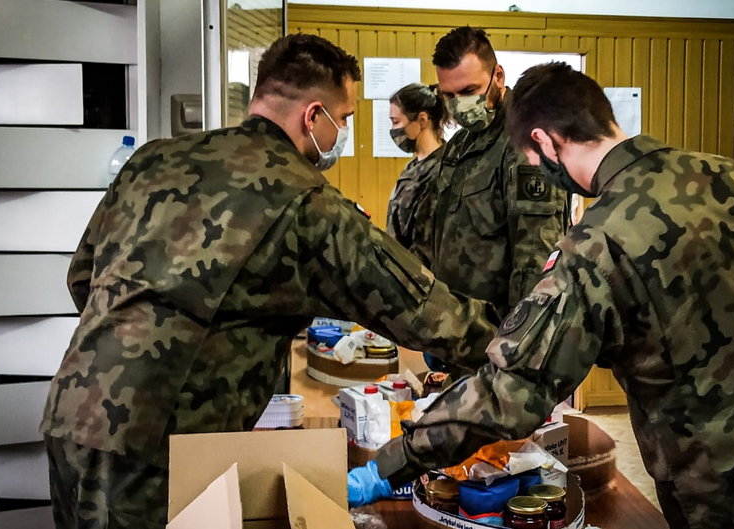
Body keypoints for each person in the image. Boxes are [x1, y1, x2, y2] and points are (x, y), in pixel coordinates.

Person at [349, 63, 734, 529]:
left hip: (725, 485)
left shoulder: (599, 242)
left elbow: (512, 391)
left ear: (543, 141)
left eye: (530, 159)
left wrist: (394, 461)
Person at [41, 33, 499, 529]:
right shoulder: (304, 200)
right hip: (157, 447)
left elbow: (82, 278)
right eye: (343, 119)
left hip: (71, 413)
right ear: (313, 116)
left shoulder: (154, 159)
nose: (343, 131)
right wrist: (526, 351)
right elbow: (424, 311)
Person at [428, 26, 569, 318]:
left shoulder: (526, 142)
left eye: (469, 91)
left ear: (498, 77)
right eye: (449, 96)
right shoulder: (459, 143)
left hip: (495, 332)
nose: (460, 105)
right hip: (451, 322)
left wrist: (517, 340)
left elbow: (535, 256)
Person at [385, 82, 447, 267]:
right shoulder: (413, 166)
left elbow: (425, 251)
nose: (393, 129)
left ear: (422, 119)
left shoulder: (440, 171)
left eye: (396, 121)